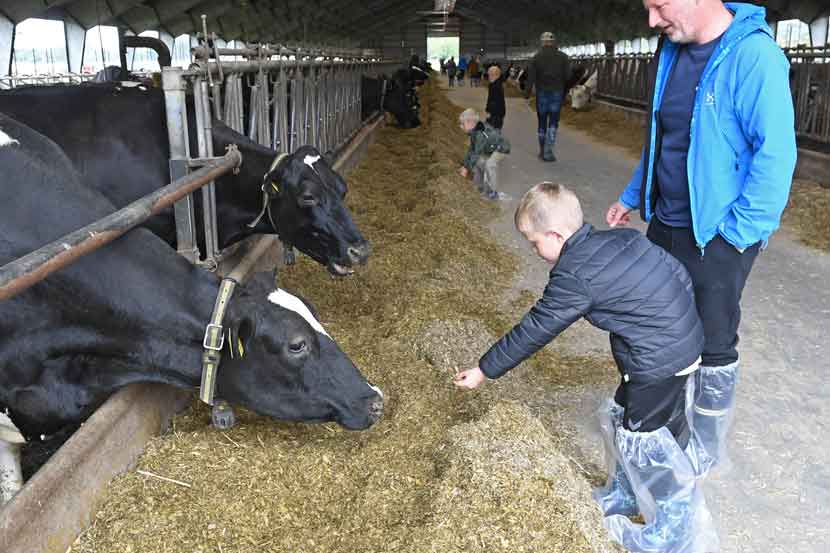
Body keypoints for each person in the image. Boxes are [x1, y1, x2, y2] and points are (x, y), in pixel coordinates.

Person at [455, 182, 718, 553]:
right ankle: (625, 494)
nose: (534, 252)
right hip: (680, 345)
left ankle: (671, 534)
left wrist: (484, 369)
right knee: (630, 419)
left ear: (557, 234)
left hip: (657, 362)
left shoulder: (574, 275)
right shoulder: (619, 239)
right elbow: (675, 272)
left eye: (534, 243)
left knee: (647, 443)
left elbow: (535, 329)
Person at [605, 0, 798, 472]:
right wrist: (634, 195)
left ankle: (704, 450)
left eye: (659, 6)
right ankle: (660, 428)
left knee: (712, 337)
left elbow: (776, 153)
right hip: (665, 221)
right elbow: (664, 137)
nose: (652, 20)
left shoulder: (754, 55)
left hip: (718, 232)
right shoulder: (671, 51)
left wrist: (738, 235)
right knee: (654, 326)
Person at [525, 32, 570, 162]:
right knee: (554, 122)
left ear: (542, 42)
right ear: (553, 42)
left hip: (542, 93)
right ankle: (548, 151)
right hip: (557, 93)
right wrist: (564, 90)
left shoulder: (536, 58)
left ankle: (542, 150)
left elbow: (531, 77)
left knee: (542, 123)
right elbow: (568, 76)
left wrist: (527, 93)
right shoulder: (563, 57)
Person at [457, 108, 510, 200]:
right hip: (490, 148)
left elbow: (476, 152)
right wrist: (465, 165)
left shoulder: (479, 133)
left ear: (470, 124)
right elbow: (471, 149)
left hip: (501, 148)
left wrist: (466, 169)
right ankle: (478, 186)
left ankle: (493, 192)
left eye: (462, 124)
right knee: (478, 162)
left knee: (490, 165)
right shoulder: (474, 131)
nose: (461, 126)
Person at [485, 65, 506, 130]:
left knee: (492, 130)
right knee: (496, 129)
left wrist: (489, 111)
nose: (488, 76)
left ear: (494, 75)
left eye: (489, 75)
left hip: (495, 113)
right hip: (499, 112)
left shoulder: (494, 86)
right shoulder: (497, 83)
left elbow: (492, 100)